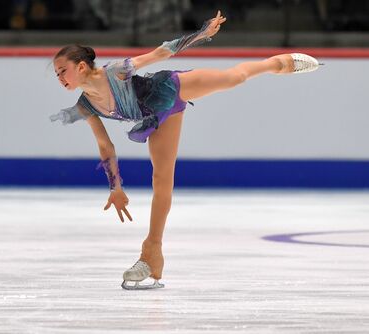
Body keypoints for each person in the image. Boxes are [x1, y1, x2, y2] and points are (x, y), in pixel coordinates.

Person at [50, 11, 320, 290]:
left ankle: (276, 63)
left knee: (233, 79)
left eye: (63, 71)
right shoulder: (86, 105)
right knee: (162, 179)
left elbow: (160, 52)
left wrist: (202, 33)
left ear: (81, 67)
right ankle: (151, 254)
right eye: (57, 74)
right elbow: (105, 145)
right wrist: (114, 186)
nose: (59, 78)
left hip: (170, 89)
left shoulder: (115, 71)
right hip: (154, 117)